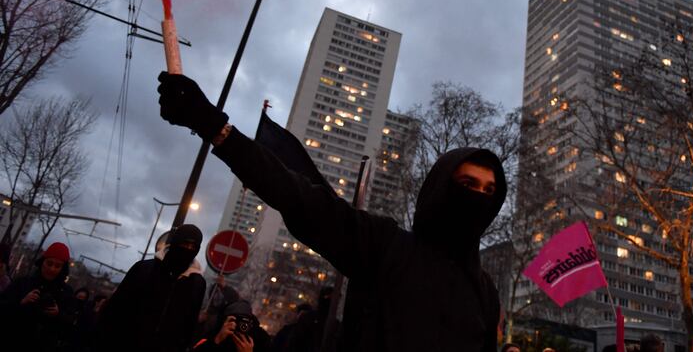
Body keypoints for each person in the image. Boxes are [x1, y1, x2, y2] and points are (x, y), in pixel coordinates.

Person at [158, 73, 508, 352]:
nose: (478, 197)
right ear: (440, 189)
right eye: (467, 184)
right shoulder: (384, 246)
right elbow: (298, 197)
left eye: (489, 191)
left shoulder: (485, 291)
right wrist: (215, 129)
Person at [94, 224, 206, 352]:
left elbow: (189, 326)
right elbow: (115, 310)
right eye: (185, 244)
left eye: (193, 247)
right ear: (175, 242)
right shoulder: (143, 269)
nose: (188, 249)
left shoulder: (197, 284)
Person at [0, 241, 74, 351]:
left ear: (63, 269)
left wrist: (58, 314)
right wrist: (21, 303)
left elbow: (69, 326)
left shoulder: (67, 292)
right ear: (42, 262)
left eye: (58, 266)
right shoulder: (22, 283)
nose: (52, 269)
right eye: (49, 263)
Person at [193, 300, 271, 351]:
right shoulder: (215, 335)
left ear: (251, 323)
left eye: (244, 322)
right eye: (235, 321)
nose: (241, 326)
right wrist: (216, 341)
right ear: (224, 321)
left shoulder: (259, 341)